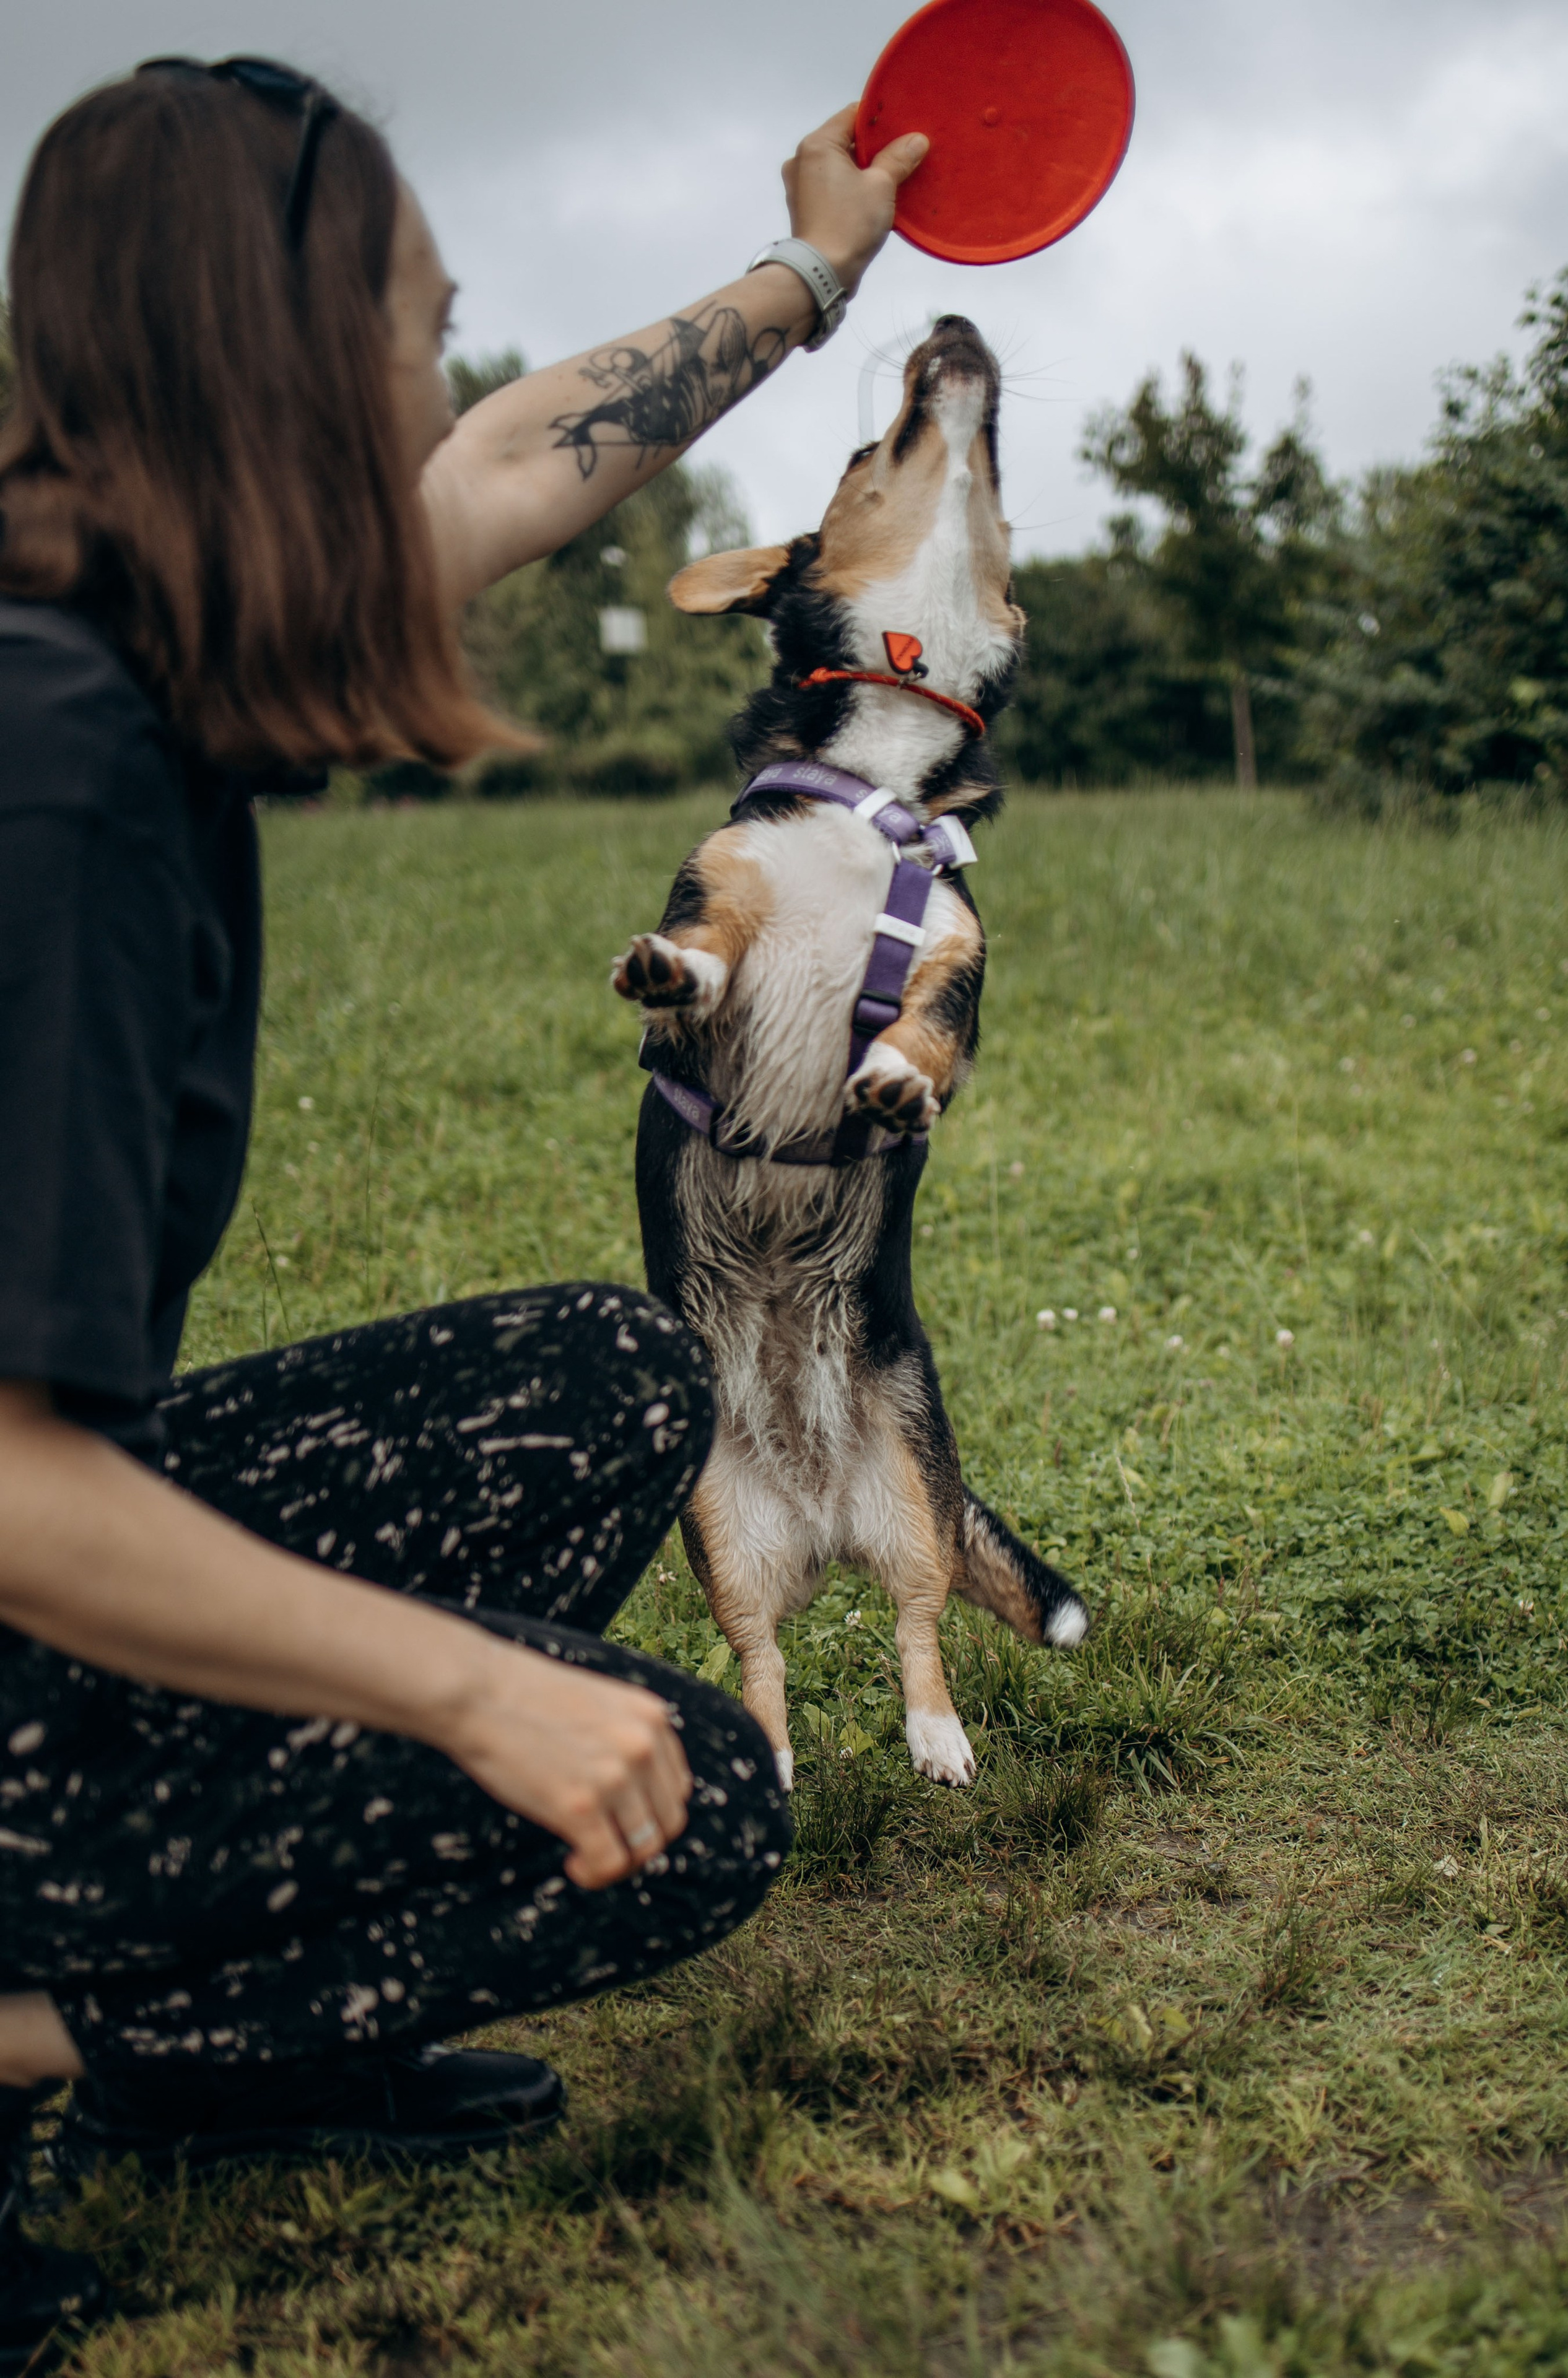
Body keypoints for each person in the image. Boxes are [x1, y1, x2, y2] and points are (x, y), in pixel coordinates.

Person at [0, 56, 926, 2367]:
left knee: (597, 1380)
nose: (440, 389)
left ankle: (205, 2067)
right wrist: (472, 1695)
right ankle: (37, 2038)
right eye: (414, 332)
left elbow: (516, 462)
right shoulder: (57, 778)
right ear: (288, 366)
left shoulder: (116, 608)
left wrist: (812, 272)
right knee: (687, 1799)